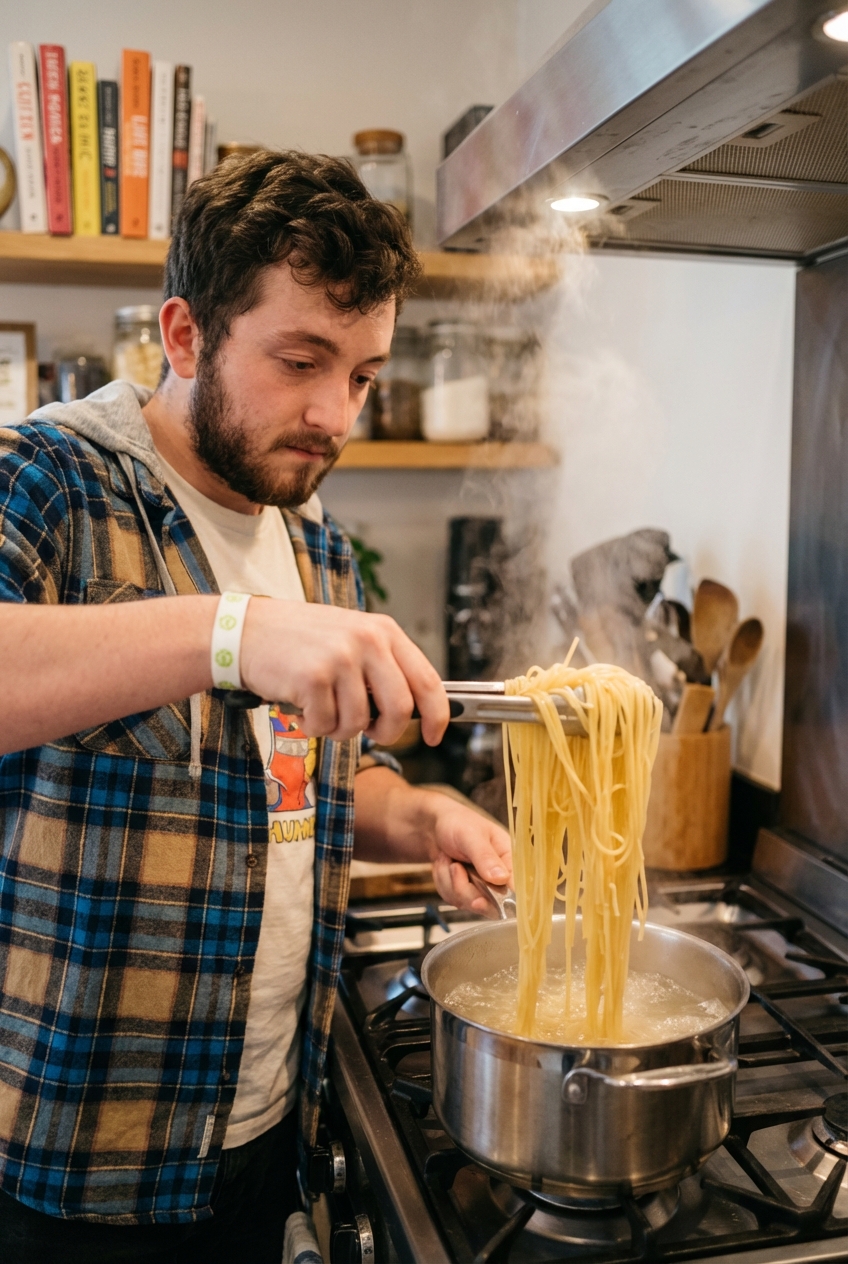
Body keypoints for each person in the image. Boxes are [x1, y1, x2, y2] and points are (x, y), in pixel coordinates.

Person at [0, 150, 512, 1263]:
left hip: (269, 1125)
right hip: (71, 1157)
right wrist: (225, 630)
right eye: (299, 360)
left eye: (364, 376)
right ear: (184, 337)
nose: (334, 414)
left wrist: (415, 816)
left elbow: (304, 771)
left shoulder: (317, 540)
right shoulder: (52, 481)